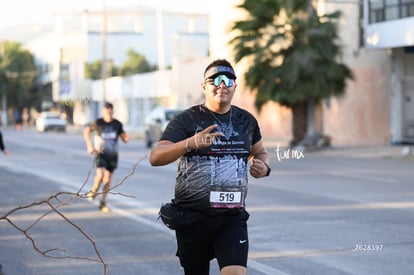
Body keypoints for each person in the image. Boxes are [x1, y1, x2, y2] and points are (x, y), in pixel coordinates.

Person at [150, 59, 271, 275]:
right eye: (214, 79)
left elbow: (260, 151)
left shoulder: (247, 121)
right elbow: (156, 156)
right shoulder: (186, 120)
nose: (222, 84)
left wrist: (263, 167)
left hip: (231, 217)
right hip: (192, 218)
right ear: (203, 86)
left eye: (228, 80)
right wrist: (190, 143)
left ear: (235, 85)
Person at [83, 102, 129, 212]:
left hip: (112, 156)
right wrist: (89, 145)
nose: (108, 112)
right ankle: (94, 190)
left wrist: (126, 138)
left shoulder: (117, 124)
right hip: (100, 153)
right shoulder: (98, 123)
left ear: (112, 111)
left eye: (110, 110)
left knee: (107, 180)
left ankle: (103, 202)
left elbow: (124, 137)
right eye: (106, 110)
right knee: (100, 174)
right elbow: (86, 130)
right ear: (103, 111)